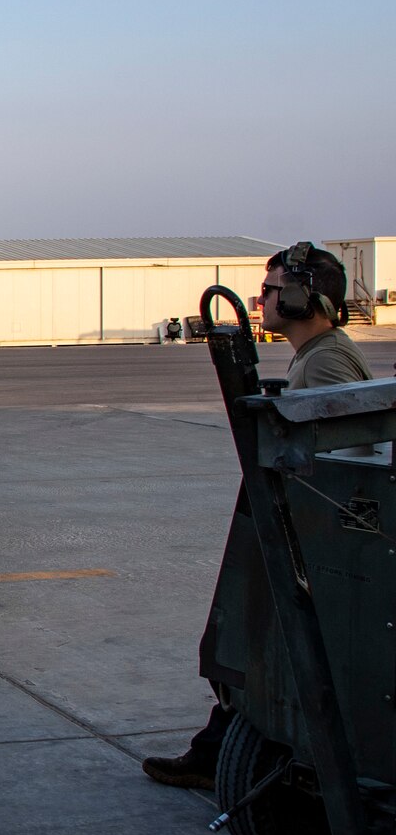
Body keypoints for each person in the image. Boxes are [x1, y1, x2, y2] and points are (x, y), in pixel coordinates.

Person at [141, 242, 372, 789]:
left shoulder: (328, 360)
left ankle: (226, 752)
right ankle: (219, 747)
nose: (261, 299)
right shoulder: (317, 353)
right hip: (314, 542)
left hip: (323, 547)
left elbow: (343, 462)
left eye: (269, 290)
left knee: (249, 646)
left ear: (300, 297)